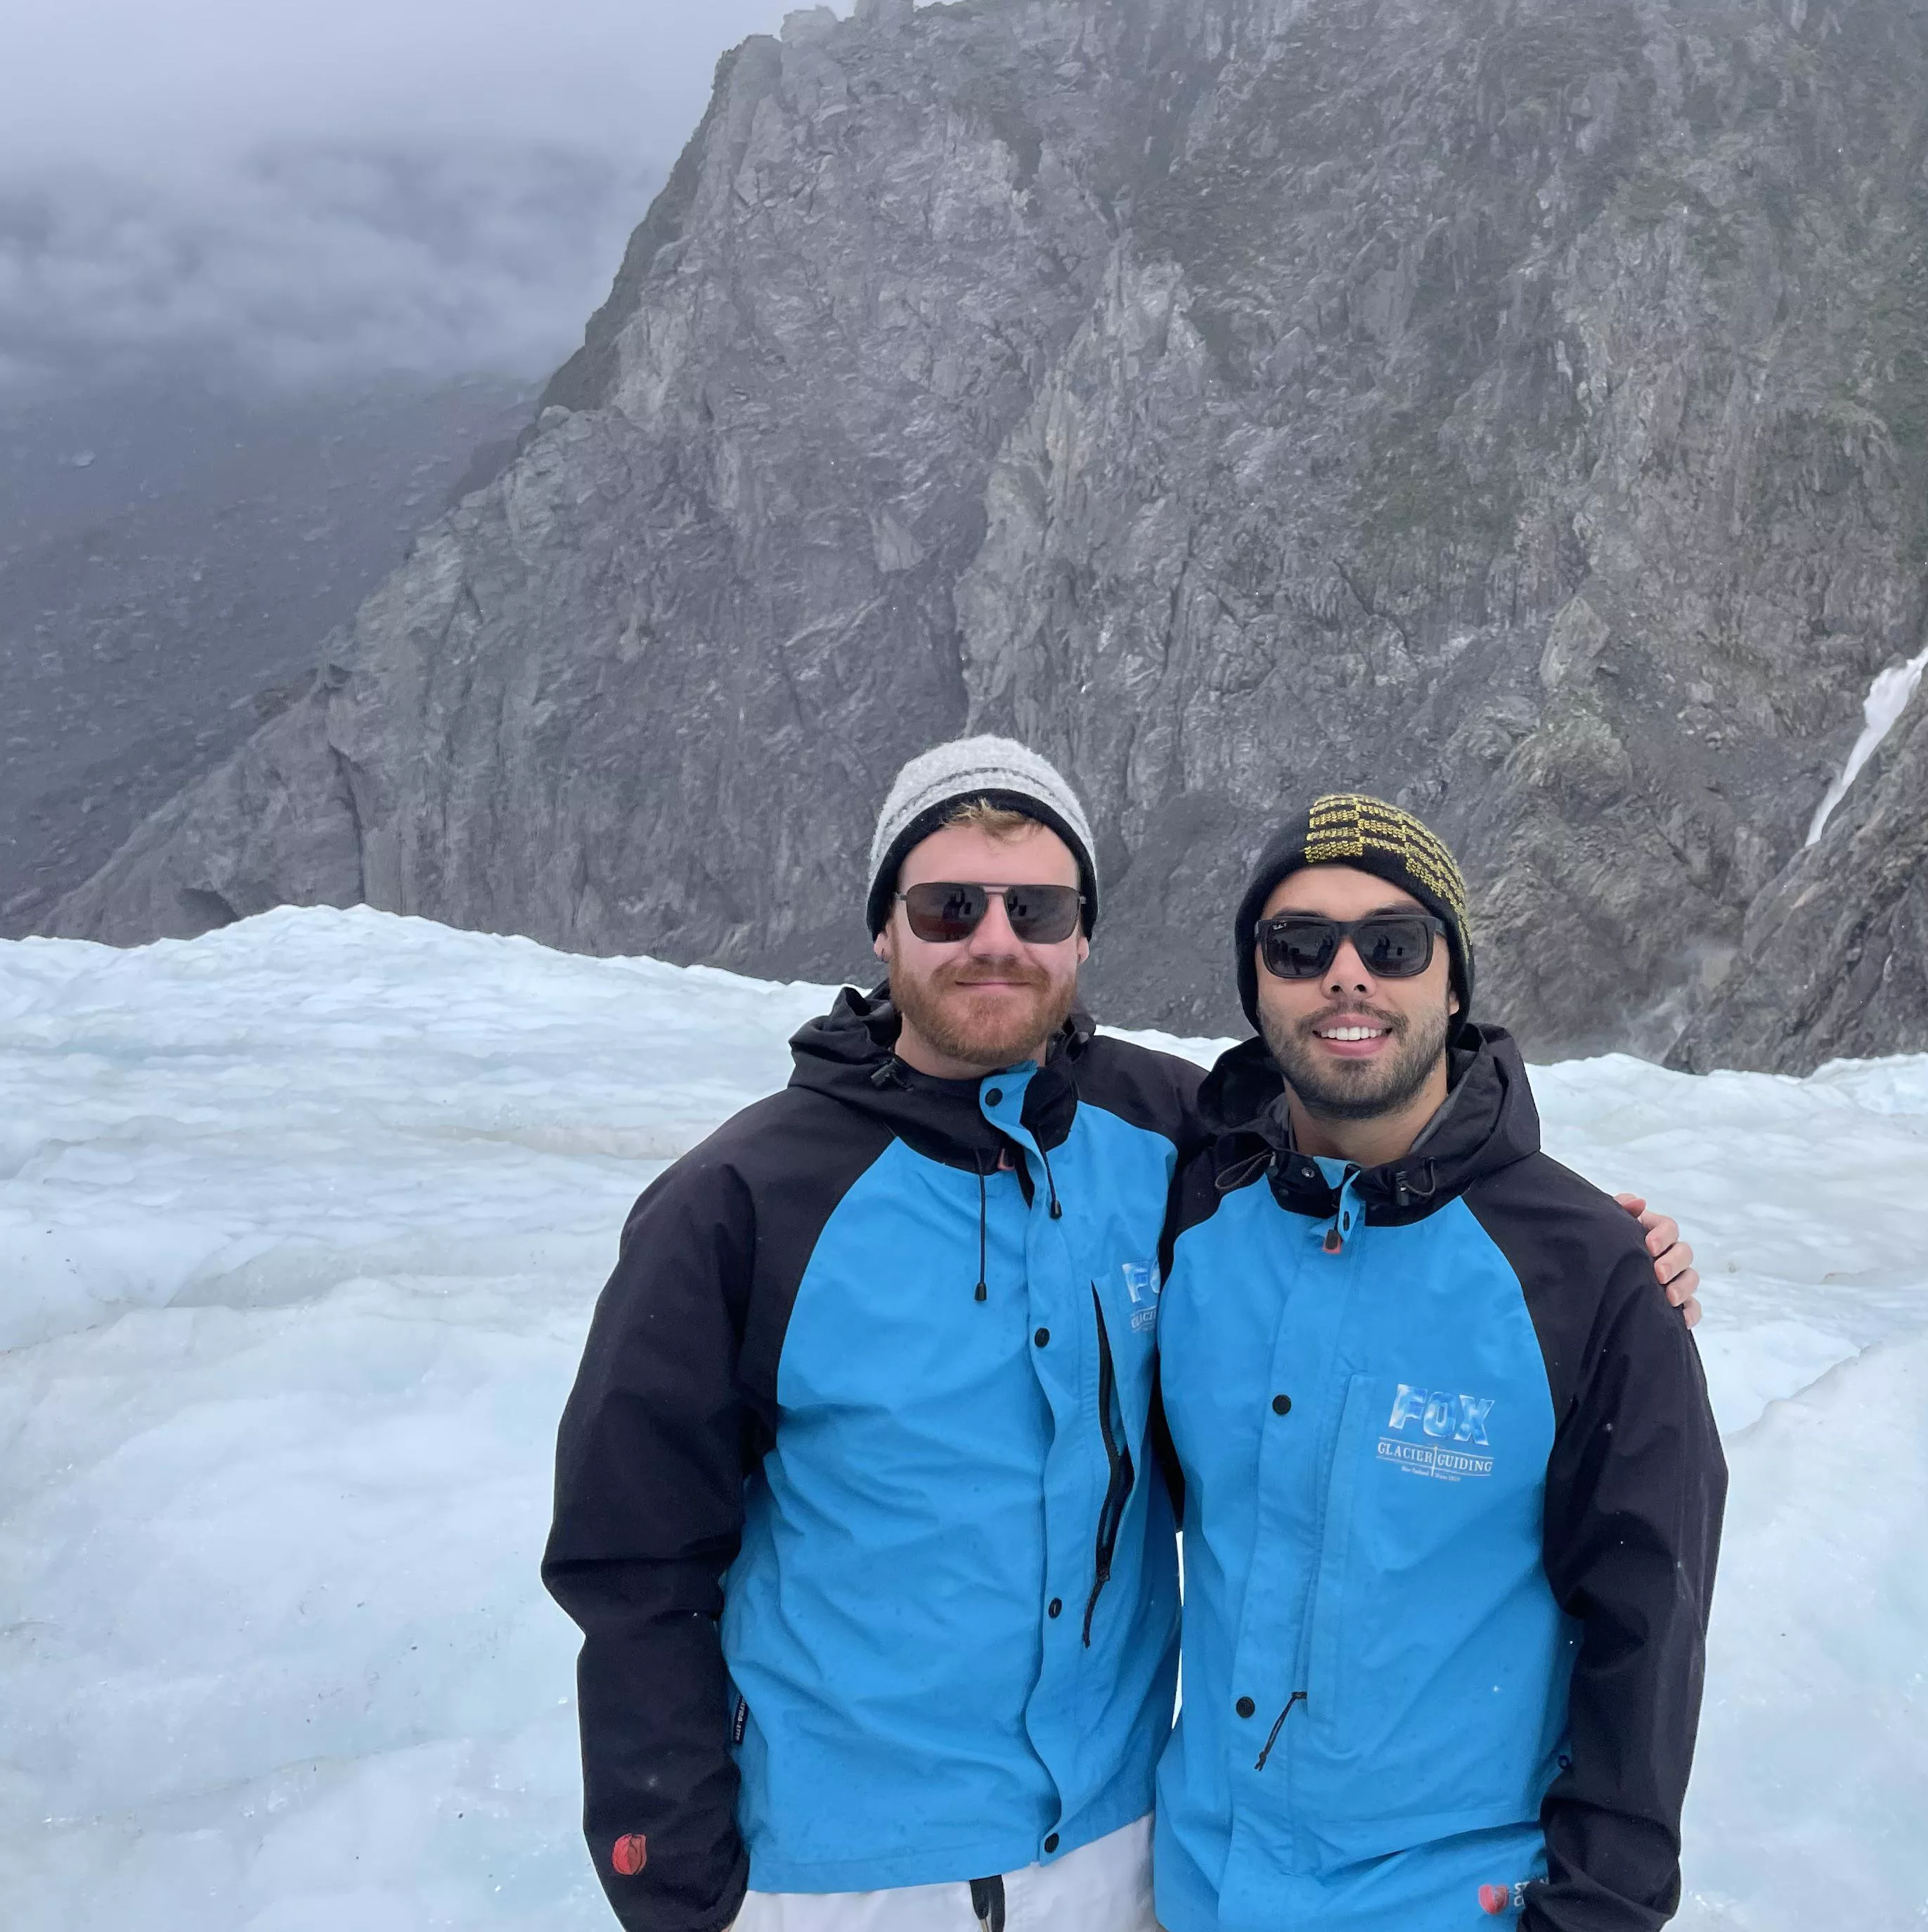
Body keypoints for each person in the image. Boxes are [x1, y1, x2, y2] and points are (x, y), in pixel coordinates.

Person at [543, 739, 1697, 1932]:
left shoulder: (1170, 1140)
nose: (995, 939)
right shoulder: (738, 1203)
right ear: (884, 930)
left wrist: (1597, 1254)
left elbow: (1388, 1155)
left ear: (1082, 936)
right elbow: (634, 1553)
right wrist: (669, 1871)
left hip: (1120, 1860)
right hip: (838, 1874)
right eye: (948, 906)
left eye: (1035, 908)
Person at [1153, 793, 1728, 1932]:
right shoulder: (1194, 1220)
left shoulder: (1586, 1273)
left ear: (1453, 982)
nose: (1347, 975)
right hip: (1192, 1890)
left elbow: (1646, 1633)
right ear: (1256, 985)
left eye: (1396, 943)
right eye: (1300, 945)